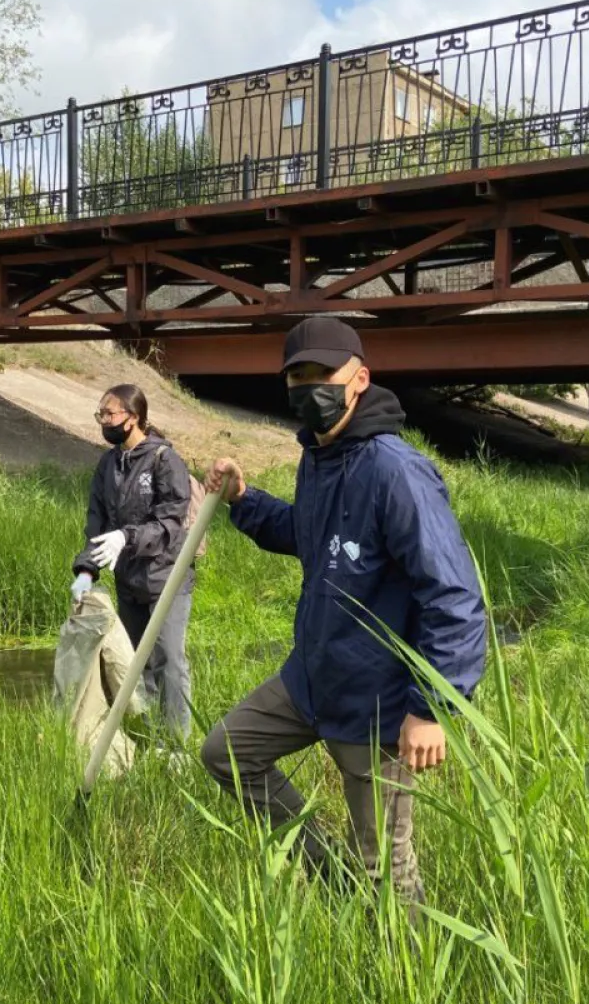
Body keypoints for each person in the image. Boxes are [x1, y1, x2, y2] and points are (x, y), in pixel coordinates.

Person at [200, 315, 488, 908]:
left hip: (376, 702)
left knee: (386, 863)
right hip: (313, 678)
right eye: (297, 376)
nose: (310, 388)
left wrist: (430, 709)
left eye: (322, 374)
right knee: (228, 752)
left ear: (359, 379)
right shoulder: (317, 458)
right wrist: (245, 501)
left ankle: (406, 982)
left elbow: (454, 597)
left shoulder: (394, 471)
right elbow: (310, 535)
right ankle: (329, 873)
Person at [70, 384, 196, 743]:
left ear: (133, 418)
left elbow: (171, 522)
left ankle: (177, 745)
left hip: (166, 577)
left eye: (110, 415)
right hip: (129, 581)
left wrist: (127, 536)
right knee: (137, 662)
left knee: (168, 660)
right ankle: (153, 737)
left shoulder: (163, 460)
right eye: (101, 415)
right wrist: (86, 569)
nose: (104, 421)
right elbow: (96, 520)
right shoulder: (108, 463)